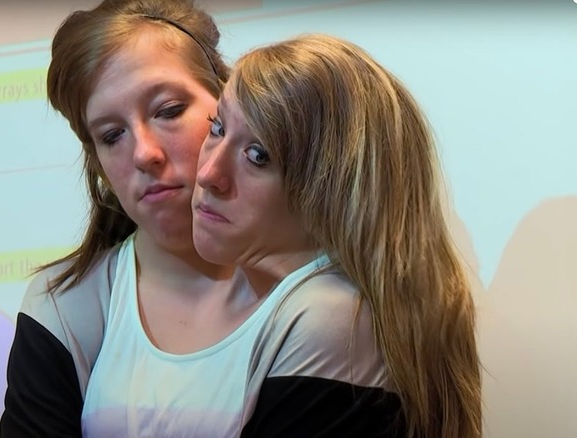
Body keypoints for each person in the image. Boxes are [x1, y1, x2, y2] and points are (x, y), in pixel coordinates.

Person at [192, 34, 483, 437]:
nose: (208, 174)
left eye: (259, 155)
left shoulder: (328, 318)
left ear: (337, 192)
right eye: (218, 127)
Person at [0, 0, 239, 436]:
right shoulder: (64, 307)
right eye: (112, 135)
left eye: (168, 110)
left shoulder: (316, 290)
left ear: (229, 107)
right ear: (98, 162)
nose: (145, 153)